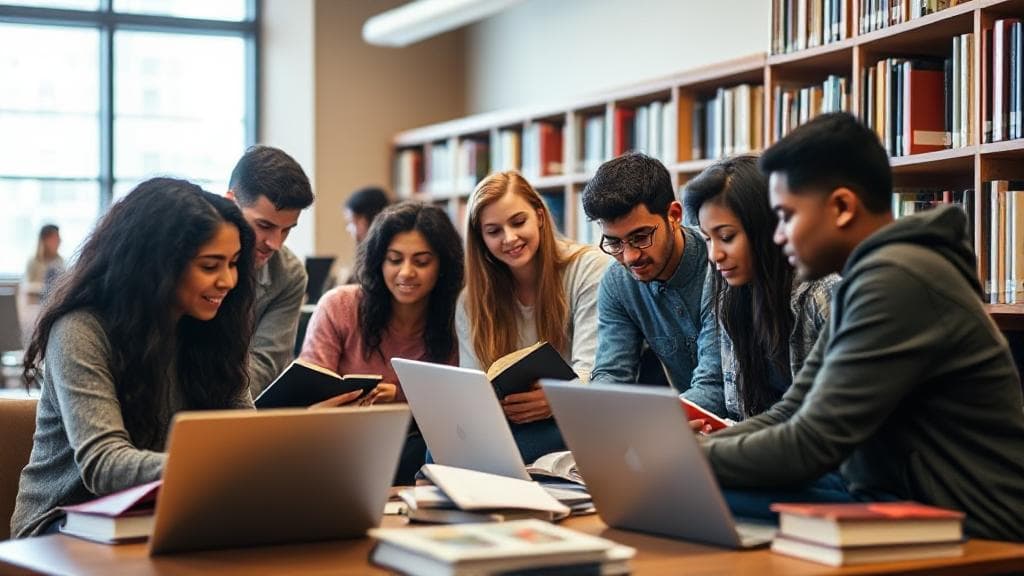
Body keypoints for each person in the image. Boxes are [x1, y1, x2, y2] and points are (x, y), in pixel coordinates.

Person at [701, 113, 1024, 542]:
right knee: (703, 485)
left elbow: (809, 445)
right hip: (896, 495)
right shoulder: (871, 277)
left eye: (786, 216)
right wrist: (693, 453)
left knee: (702, 489)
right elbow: (791, 410)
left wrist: (685, 459)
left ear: (841, 207)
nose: (777, 237)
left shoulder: (898, 279)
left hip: (971, 523)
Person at [11, 178, 257, 538]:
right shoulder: (81, 329)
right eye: (210, 266)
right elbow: (104, 465)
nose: (228, 281)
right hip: (60, 527)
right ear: (156, 265)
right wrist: (217, 468)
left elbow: (243, 435)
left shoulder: (212, 332)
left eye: (233, 263)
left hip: (164, 514)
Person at [300, 201, 464, 484]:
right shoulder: (339, 305)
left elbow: (457, 411)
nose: (406, 273)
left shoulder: (458, 318)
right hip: (337, 442)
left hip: (417, 451)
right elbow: (309, 394)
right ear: (379, 261)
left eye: (422, 261)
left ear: (442, 266)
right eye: (395, 259)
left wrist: (399, 402)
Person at [457, 171, 610, 463]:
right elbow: (470, 387)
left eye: (518, 222)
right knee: (438, 449)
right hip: (502, 423)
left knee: (512, 450)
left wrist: (556, 399)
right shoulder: (470, 300)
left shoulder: (589, 269)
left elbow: (596, 373)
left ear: (539, 216)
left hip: (573, 416)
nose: (509, 238)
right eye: (493, 231)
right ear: (481, 239)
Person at [682, 155, 839, 421]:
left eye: (727, 237)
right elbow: (738, 410)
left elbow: (829, 422)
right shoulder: (731, 292)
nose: (714, 254)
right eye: (708, 239)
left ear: (767, 228)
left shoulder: (824, 295)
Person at [582, 152, 723, 410]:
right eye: (614, 242)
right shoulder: (616, 283)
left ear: (674, 215)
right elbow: (612, 374)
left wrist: (653, 427)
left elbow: (715, 388)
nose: (629, 256)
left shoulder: (720, 263)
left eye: (641, 236)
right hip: (682, 422)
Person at [227, 145, 314, 397]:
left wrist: (221, 409)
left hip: (235, 404)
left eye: (287, 230)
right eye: (264, 225)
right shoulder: (182, 254)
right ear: (230, 202)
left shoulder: (289, 275)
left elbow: (264, 364)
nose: (275, 243)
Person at [23, 224, 65, 305]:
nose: (59, 240)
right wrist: (46, 287)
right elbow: (27, 287)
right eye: (55, 237)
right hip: (35, 305)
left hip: (53, 303)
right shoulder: (34, 261)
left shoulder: (60, 261)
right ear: (45, 239)